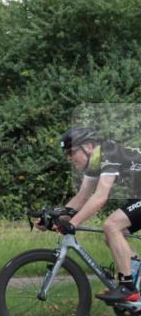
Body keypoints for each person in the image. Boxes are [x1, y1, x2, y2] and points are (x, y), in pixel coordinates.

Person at [50, 127, 141, 303]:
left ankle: (128, 287)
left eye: (71, 152)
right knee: (113, 235)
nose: (69, 158)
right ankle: (134, 274)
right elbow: (82, 196)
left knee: (111, 225)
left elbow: (100, 197)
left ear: (89, 146)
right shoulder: (96, 160)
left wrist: (73, 223)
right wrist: (56, 217)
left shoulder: (108, 154)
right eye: (66, 154)